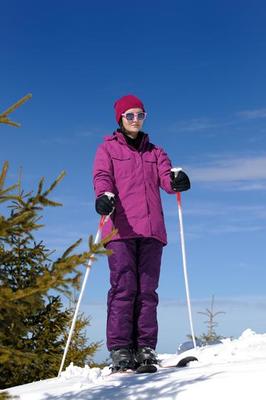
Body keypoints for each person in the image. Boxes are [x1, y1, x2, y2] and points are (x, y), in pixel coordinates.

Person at [93, 94, 190, 371]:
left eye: (140, 115)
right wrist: (103, 196)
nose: (135, 120)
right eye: (130, 115)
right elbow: (102, 177)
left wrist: (177, 180)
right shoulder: (107, 150)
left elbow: (166, 178)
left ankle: (146, 347)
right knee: (124, 288)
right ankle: (121, 349)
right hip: (120, 229)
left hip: (151, 229)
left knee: (147, 290)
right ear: (120, 119)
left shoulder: (155, 152)